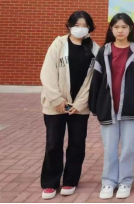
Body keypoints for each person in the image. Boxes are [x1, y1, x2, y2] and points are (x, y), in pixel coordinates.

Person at [89, 13, 134, 200]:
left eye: (124, 27)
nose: (120, 30)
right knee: (109, 148)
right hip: (108, 107)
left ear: (130, 29)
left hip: (130, 107)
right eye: (116, 27)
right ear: (111, 29)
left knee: (128, 148)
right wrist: (94, 105)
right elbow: (96, 80)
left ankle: (125, 181)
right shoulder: (104, 51)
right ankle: (108, 182)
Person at [40, 11, 100, 200]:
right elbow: (47, 73)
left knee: (77, 144)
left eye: (85, 25)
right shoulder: (58, 44)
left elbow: (93, 81)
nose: (80, 29)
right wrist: (57, 100)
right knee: (53, 144)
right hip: (55, 105)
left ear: (90, 28)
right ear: (69, 25)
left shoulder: (95, 49)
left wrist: (80, 103)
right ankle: (50, 183)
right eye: (77, 25)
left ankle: (70, 181)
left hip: (78, 108)